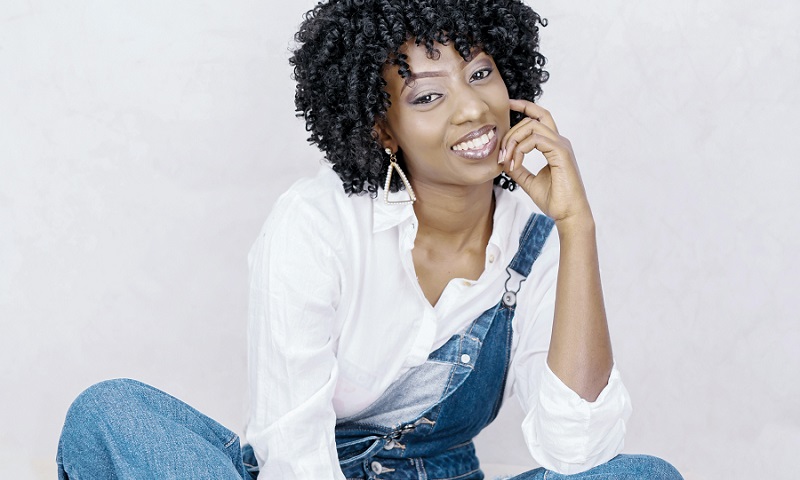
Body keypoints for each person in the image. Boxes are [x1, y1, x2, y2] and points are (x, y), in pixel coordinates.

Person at [56, 1, 684, 479]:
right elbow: (293, 452)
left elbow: (577, 450)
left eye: (481, 72)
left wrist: (577, 228)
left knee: (644, 476)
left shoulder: (534, 239)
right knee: (110, 415)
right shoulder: (318, 224)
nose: (471, 109)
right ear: (385, 127)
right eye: (429, 95)